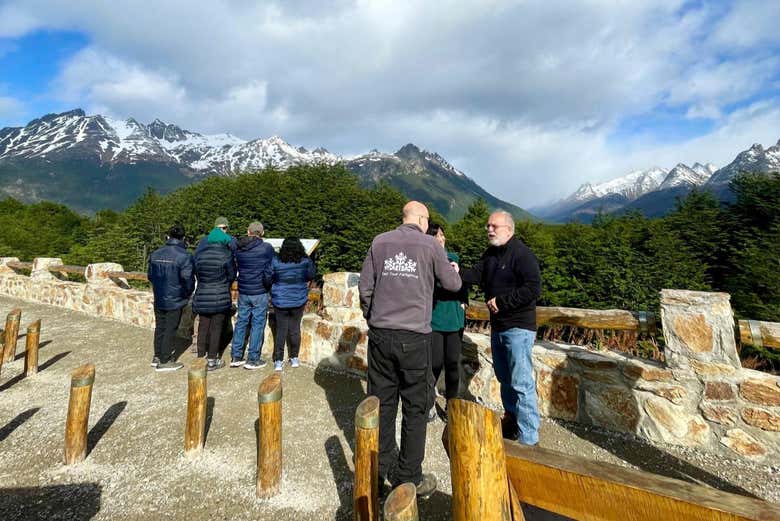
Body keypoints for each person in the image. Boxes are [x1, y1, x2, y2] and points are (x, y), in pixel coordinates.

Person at [358, 200, 461, 498]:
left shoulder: (379, 242)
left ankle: (376, 472)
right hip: (415, 338)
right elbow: (453, 284)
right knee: (416, 407)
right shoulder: (430, 246)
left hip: (381, 336)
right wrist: (453, 268)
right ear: (421, 219)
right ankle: (408, 477)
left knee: (382, 403)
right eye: (428, 220)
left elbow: (365, 288)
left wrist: (374, 318)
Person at [459, 210, 542, 445]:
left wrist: (503, 302)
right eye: (488, 226)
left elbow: (533, 288)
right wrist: (454, 270)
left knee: (521, 382)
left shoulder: (522, 255)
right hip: (499, 327)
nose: (489, 229)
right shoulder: (491, 254)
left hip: (519, 328)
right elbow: (477, 274)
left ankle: (529, 439)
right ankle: (512, 420)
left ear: (508, 228)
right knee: (505, 378)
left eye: (494, 226)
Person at [426, 222, 468, 421]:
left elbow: (461, 286)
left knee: (452, 364)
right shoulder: (425, 260)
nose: (440, 239)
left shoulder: (453, 259)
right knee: (434, 363)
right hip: (434, 319)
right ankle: (428, 402)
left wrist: (465, 300)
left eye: (442, 235)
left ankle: (452, 407)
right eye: (435, 236)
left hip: (454, 319)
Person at [147, 224, 195, 372]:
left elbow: (150, 276)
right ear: (184, 238)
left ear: (168, 236)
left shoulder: (155, 254)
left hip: (159, 295)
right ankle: (165, 360)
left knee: (160, 326)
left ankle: (157, 356)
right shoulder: (184, 256)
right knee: (170, 328)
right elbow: (188, 279)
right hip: (175, 298)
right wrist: (187, 293)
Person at [230, 221, 275, 370]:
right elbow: (272, 266)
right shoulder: (266, 248)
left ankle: (236, 356)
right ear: (262, 233)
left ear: (248, 231)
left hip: (243, 290)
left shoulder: (239, 248)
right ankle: (253, 358)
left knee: (241, 321)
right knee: (257, 323)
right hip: (260, 291)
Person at [193, 223, 236, 371]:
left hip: (203, 293)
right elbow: (231, 275)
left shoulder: (199, 256)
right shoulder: (226, 255)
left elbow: (197, 274)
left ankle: (200, 357)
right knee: (216, 327)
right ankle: (212, 360)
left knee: (203, 325)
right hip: (220, 294)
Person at [270, 237, 316, 372]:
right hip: (298, 298)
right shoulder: (305, 260)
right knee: (295, 329)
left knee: (281, 330)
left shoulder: (276, 260)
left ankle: (278, 360)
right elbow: (311, 275)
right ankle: (294, 357)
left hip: (280, 299)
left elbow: (268, 276)